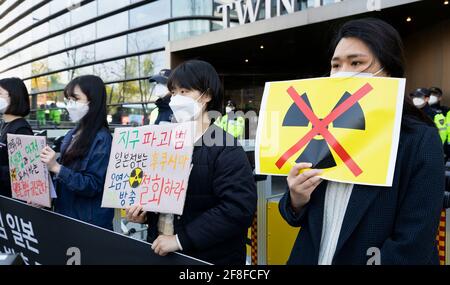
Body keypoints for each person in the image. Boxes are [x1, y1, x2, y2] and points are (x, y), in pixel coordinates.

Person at [279, 18, 445, 265]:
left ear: (389, 70)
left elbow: (412, 244)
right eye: (336, 65)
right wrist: (296, 199)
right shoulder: (321, 132)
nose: (343, 73)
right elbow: (294, 215)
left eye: (356, 62)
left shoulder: (419, 141)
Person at [126, 60, 257, 265]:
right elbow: (163, 197)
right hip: (160, 251)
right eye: (174, 92)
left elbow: (238, 209)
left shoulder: (226, 148)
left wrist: (180, 239)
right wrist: (145, 214)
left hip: (206, 259)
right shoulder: (165, 144)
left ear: (207, 95)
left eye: (184, 91)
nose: (176, 99)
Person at [40, 75, 114, 230]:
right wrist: (44, 197)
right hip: (66, 216)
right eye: (68, 99)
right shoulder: (72, 134)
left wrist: (56, 168)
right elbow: (62, 179)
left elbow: (93, 185)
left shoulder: (102, 139)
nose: (70, 105)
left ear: (93, 101)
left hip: (89, 224)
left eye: (76, 99)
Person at [0, 78, 33, 198]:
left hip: (12, 202)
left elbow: (24, 173)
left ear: (14, 97)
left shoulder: (21, 129)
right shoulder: (5, 124)